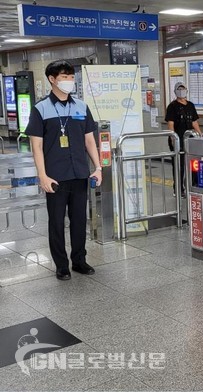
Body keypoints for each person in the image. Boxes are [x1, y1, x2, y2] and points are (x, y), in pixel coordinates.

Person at [26, 60, 102, 281]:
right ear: (52, 79)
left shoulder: (81, 106)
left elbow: (90, 141)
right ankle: (61, 265)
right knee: (56, 222)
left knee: (79, 221)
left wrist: (97, 167)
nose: (69, 81)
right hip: (55, 176)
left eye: (71, 77)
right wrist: (42, 175)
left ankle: (79, 260)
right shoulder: (41, 108)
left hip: (79, 173)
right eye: (64, 77)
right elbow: (36, 146)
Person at [165, 82, 201, 197]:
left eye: (183, 89)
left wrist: (200, 134)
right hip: (178, 139)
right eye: (179, 89)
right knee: (179, 165)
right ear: (175, 92)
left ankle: (193, 186)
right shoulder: (172, 106)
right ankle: (179, 189)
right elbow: (170, 123)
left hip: (190, 139)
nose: (182, 91)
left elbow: (194, 122)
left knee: (193, 164)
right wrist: (173, 137)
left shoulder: (190, 105)